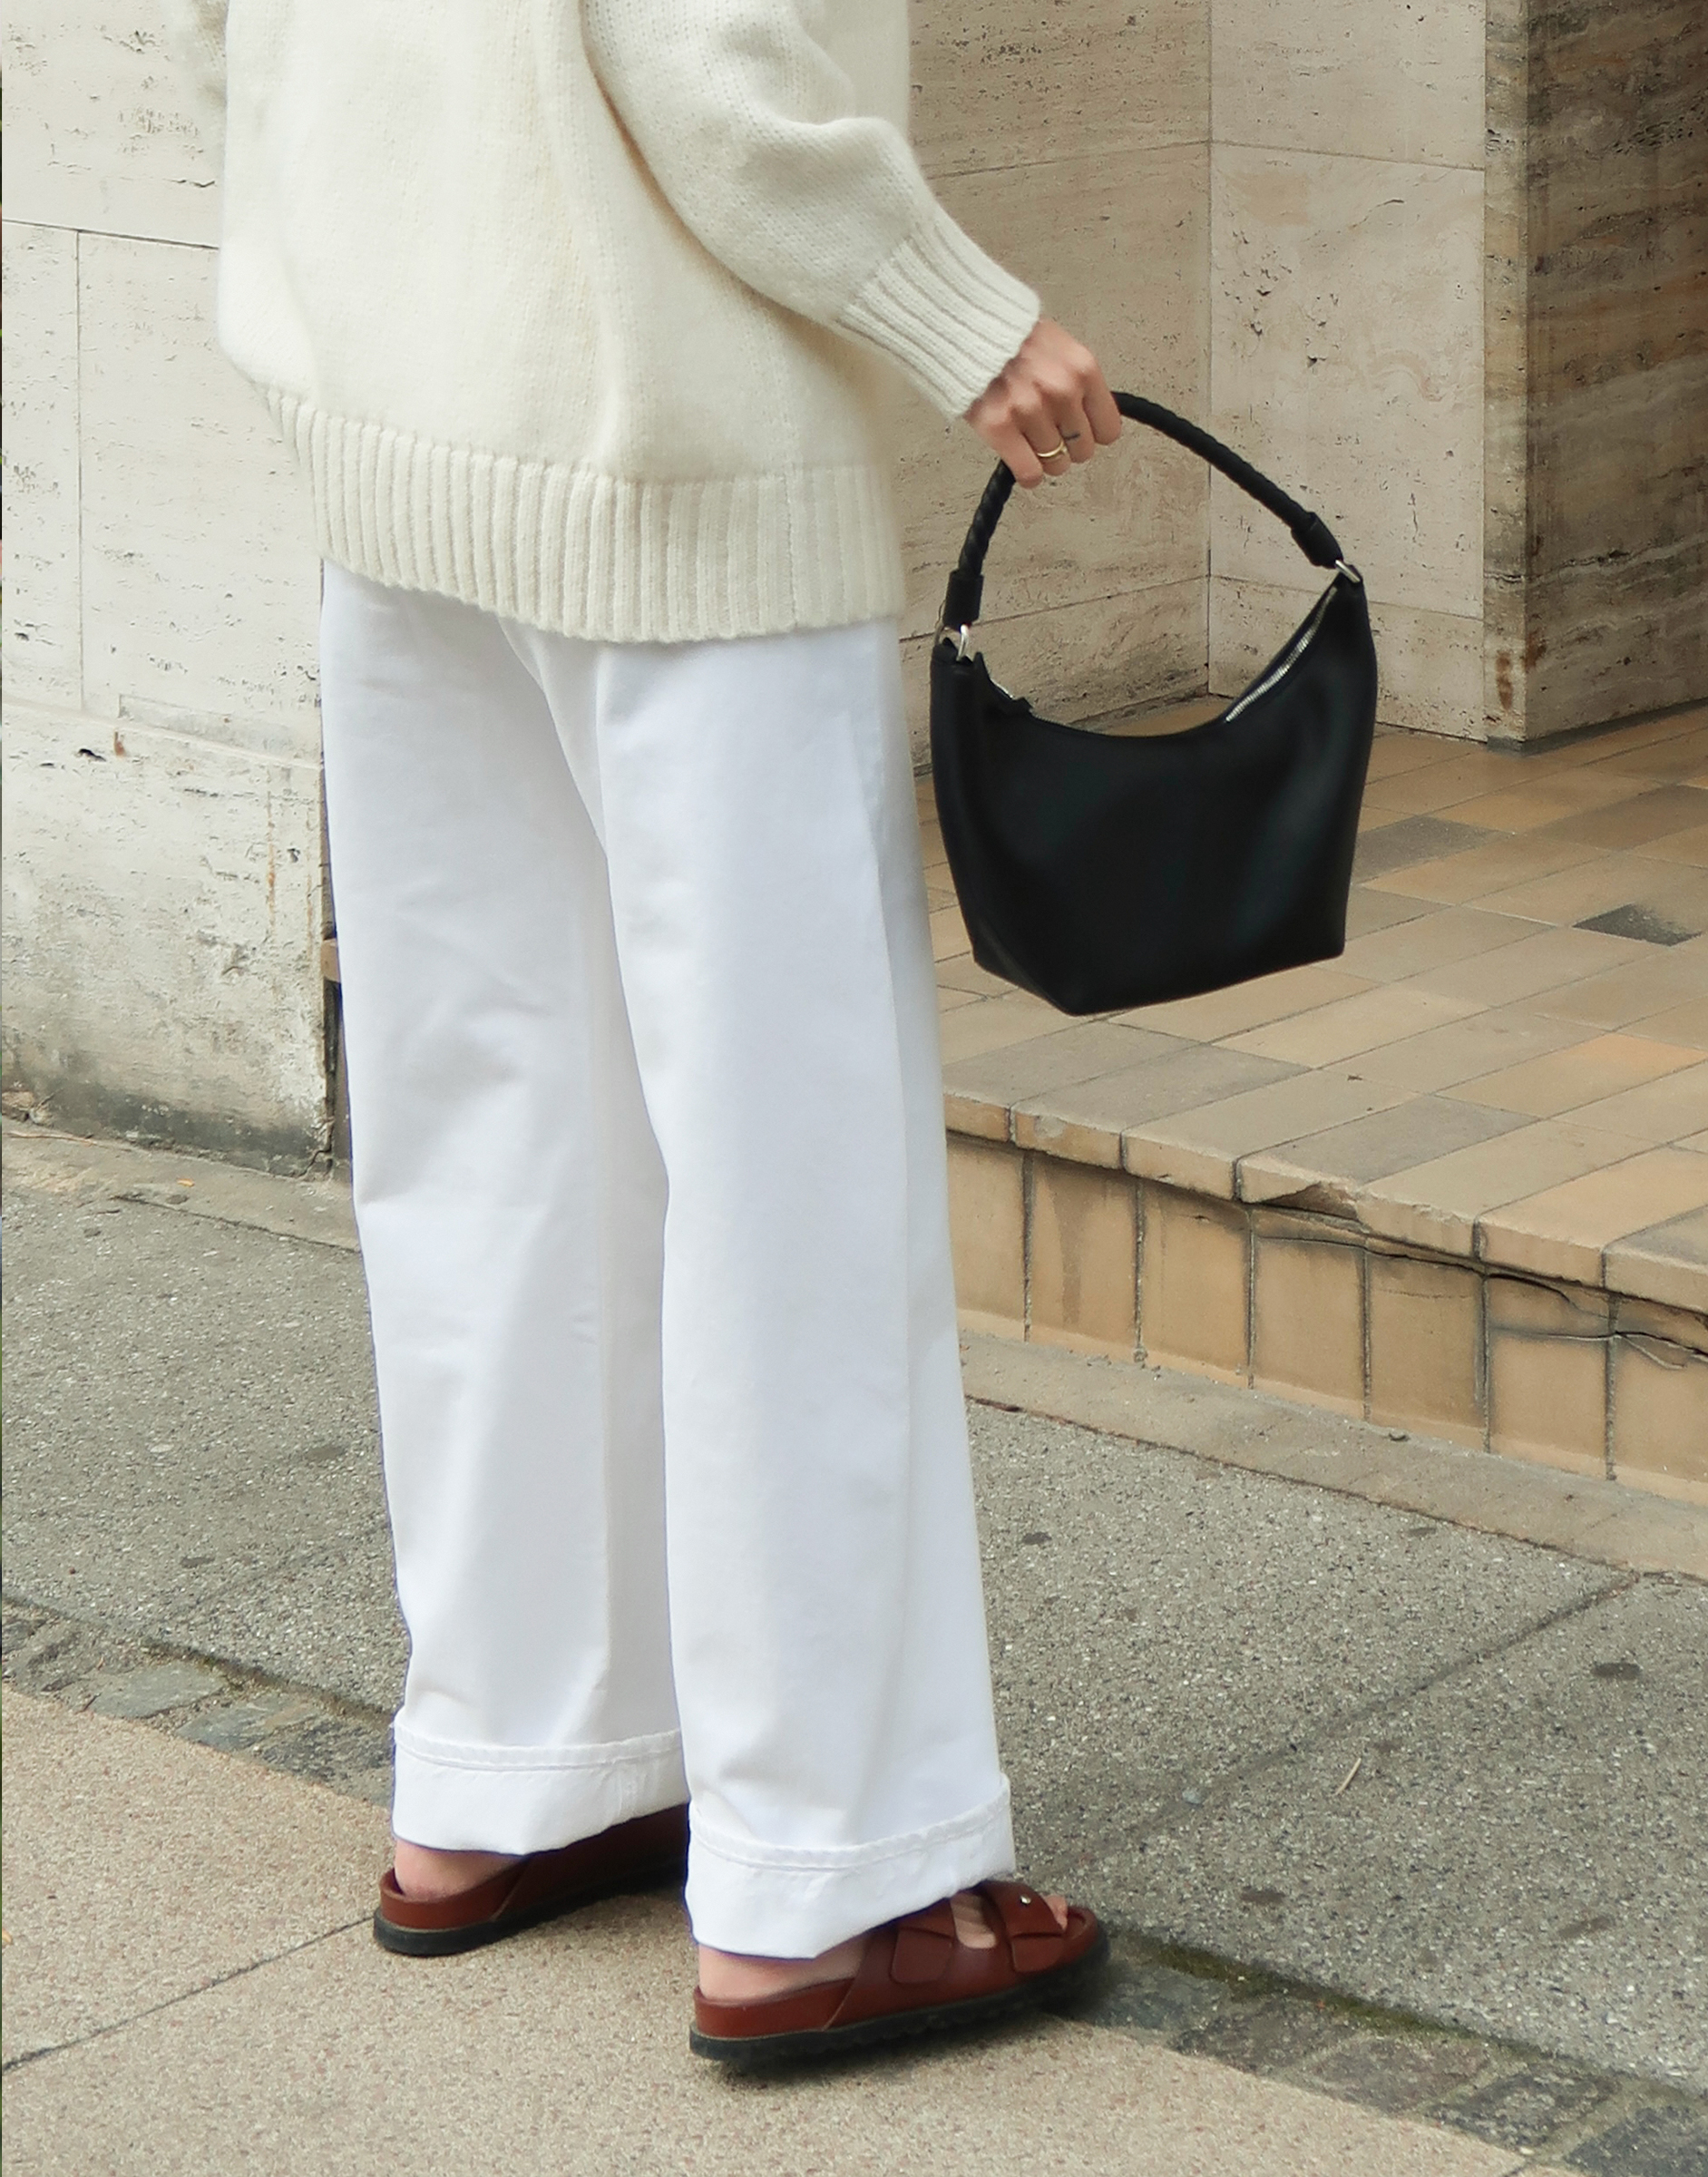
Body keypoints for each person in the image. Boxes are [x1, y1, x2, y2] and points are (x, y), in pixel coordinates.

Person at [167, 0, 1121, 2061]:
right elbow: (707, 43)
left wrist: (357, 285)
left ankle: (513, 1772)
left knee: (494, 1143)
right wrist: (960, 314)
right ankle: (826, 1889)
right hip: (675, 454)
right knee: (791, 1188)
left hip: (402, 441)